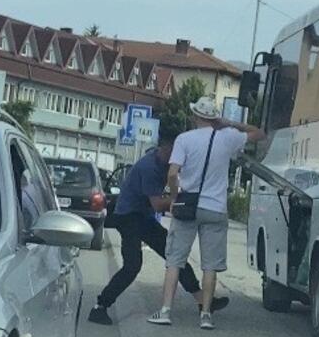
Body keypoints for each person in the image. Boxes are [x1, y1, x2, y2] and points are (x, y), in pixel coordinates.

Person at [88, 129, 229, 326]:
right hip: (128, 217)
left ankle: (202, 300)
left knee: (174, 256)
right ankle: (100, 306)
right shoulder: (150, 168)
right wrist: (184, 201)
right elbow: (158, 204)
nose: (180, 157)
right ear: (166, 148)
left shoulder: (166, 164)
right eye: (177, 152)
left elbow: (168, 192)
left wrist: (178, 195)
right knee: (132, 265)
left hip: (142, 217)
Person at [149, 97, 264, 330]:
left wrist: (175, 197)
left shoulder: (184, 139)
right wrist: (230, 123)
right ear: (214, 118)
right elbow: (259, 133)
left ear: (195, 117)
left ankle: (165, 311)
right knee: (210, 265)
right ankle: (206, 316)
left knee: (174, 261)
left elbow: (172, 173)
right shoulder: (228, 137)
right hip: (215, 208)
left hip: (187, 206)